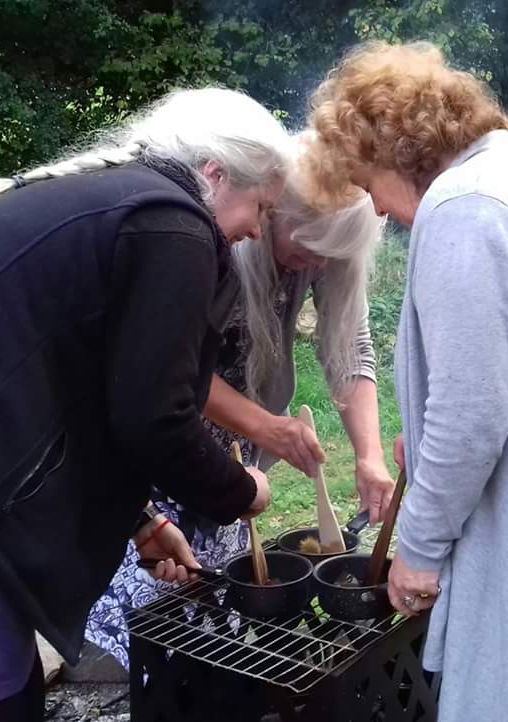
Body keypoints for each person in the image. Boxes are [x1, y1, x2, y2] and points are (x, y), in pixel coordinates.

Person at [0, 87, 289, 720]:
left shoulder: (115, 203)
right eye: (262, 207)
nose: (256, 230)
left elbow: (71, 395)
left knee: (8, 691)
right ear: (215, 175)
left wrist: (142, 520)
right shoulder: (176, 224)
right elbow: (154, 420)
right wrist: (243, 492)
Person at [308, 40, 508, 722]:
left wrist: (417, 552)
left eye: (366, 185)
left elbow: (470, 416)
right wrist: (427, 445)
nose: (379, 212)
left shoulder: (468, 206)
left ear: (392, 152)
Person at [86, 133, 395, 669]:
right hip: (161, 437)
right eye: (309, 249)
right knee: (155, 613)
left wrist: (368, 456)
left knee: (220, 609)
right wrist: (265, 426)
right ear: (274, 213)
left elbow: (351, 352)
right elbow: (167, 374)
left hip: (230, 457)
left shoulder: (326, 254)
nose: (316, 268)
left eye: (331, 258)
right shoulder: (216, 240)